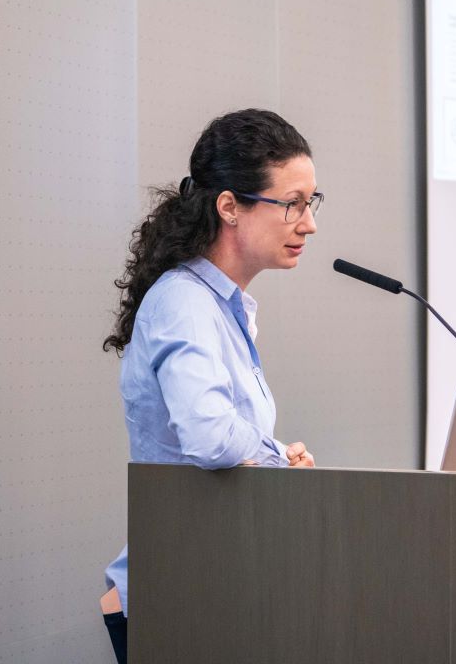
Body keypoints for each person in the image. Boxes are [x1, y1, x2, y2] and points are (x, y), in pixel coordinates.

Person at [98, 109, 322, 663]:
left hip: (211, 579)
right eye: (291, 203)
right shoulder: (185, 302)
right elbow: (209, 436)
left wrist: (273, 456)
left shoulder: (223, 306)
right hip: (177, 591)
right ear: (229, 206)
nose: (308, 223)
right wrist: (274, 455)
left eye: (311, 202)